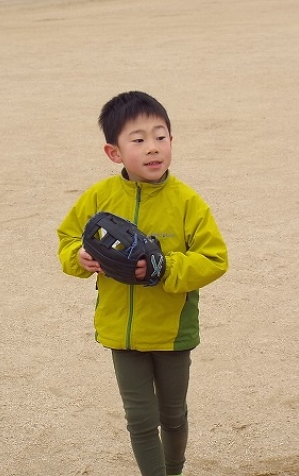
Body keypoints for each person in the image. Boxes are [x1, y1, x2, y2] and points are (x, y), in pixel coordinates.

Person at [57, 91, 229, 476]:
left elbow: (215, 258)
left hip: (172, 331)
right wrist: (78, 257)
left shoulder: (187, 202)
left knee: (172, 414)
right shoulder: (99, 198)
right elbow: (68, 237)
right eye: (138, 140)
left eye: (160, 136)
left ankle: (174, 469)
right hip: (122, 332)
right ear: (114, 152)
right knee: (139, 418)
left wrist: (164, 267)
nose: (153, 147)